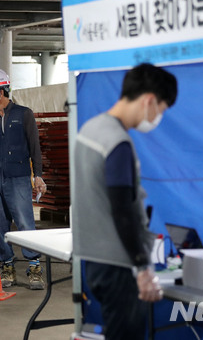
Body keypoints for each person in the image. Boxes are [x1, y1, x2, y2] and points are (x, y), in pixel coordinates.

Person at [73, 63, 177, 339]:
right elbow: (122, 210)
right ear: (149, 100)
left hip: (94, 260)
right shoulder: (117, 142)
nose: (158, 118)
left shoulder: (89, 130)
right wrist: (142, 267)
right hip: (118, 265)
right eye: (161, 110)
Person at [0, 68, 46, 290]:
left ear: (0, 91)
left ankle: (34, 268)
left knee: (25, 223)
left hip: (19, 176)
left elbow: (35, 146)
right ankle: (7, 266)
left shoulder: (24, 114)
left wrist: (39, 176)